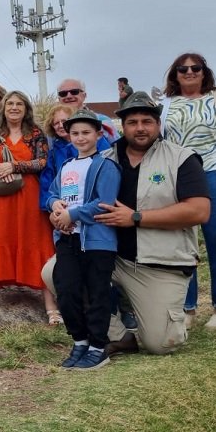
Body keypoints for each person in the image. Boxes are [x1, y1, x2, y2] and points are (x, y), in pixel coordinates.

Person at [94, 91, 210, 356]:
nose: (140, 128)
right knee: (55, 270)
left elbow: (199, 211)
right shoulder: (103, 159)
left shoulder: (182, 158)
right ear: (122, 126)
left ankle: (147, 330)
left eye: (147, 121)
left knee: (160, 344)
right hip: (111, 258)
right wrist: (61, 210)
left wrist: (136, 217)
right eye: (133, 122)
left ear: (158, 124)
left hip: (160, 265)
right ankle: (116, 333)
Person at [160, 53, 216, 329]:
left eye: (195, 68)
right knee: (181, 242)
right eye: (182, 69)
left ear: (203, 72)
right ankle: (186, 307)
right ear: (175, 74)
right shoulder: (165, 105)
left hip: (215, 172)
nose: (189, 72)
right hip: (178, 176)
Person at [44, 109, 122, 370]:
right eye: (75, 133)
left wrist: (72, 214)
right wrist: (56, 206)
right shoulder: (67, 166)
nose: (80, 138)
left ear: (98, 134)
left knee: (98, 293)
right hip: (68, 240)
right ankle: (79, 341)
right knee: (66, 290)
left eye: (86, 132)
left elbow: (104, 204)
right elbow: (52, 194)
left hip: (97, 241)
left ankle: (99, 347)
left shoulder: (106, 165)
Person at [0, 91, 57, 320]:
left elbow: (42, 162)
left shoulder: (36, 133)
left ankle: (50, 304)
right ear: (3, 108)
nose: (14, 107)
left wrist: (14, 166)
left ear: (26, 108)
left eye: (19, 104)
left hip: (29, 195)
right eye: (10, 103)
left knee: (38, 241)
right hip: (1, 196)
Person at [57, 77, 118, 142]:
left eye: (74, 92)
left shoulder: (103, 121)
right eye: (63, 93)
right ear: (59, 98)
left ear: (84, 95)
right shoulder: (53, 125)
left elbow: (117, 147)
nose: (68, 96)